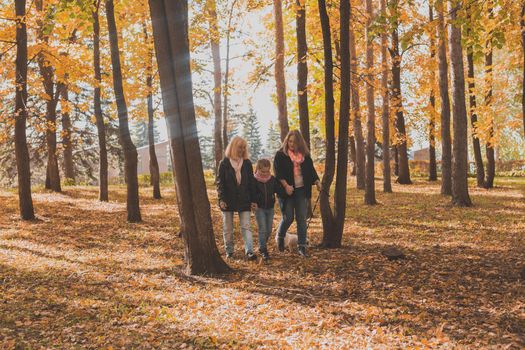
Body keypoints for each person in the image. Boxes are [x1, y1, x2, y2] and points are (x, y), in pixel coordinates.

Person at [274, 130, 321, 257]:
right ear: (286, 141)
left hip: (301, 190)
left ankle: (302, 247)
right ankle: (280, 236)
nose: (292, 144)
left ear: (299, 143)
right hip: (287, 190)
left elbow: (311, 171)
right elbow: (278, 173)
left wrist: (317, 182)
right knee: (288, 217)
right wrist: (286, 186)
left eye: (295, 142)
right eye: (290, 141)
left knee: (301, 218)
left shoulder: (305, 156)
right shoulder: (281, 155)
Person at [216, 136, 258, 260]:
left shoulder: (247, 163)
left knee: (246, 226)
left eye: (244, 148)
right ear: (233, 147)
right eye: (240, 147)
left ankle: (249, 251)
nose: (242, 150)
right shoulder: (224, 163)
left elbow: (251, 182)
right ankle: (229, 251)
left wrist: (254, 200)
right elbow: (220, 183)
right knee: (228, 227)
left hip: (244, 198)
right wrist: (221, 199)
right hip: (228, 199)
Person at [253, 158, 284, 261]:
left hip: (270, 208)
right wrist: (253, 202)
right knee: (263, 229)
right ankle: (263, 249)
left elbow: (278, 190)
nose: (265, 173)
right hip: (259, 208)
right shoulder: (254, 180)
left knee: (269, 230)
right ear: (258, 169)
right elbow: (251, 192)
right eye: (263, 171)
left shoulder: (272, 179)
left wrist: (287, 190)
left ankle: (262, 245)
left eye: (267, 171)